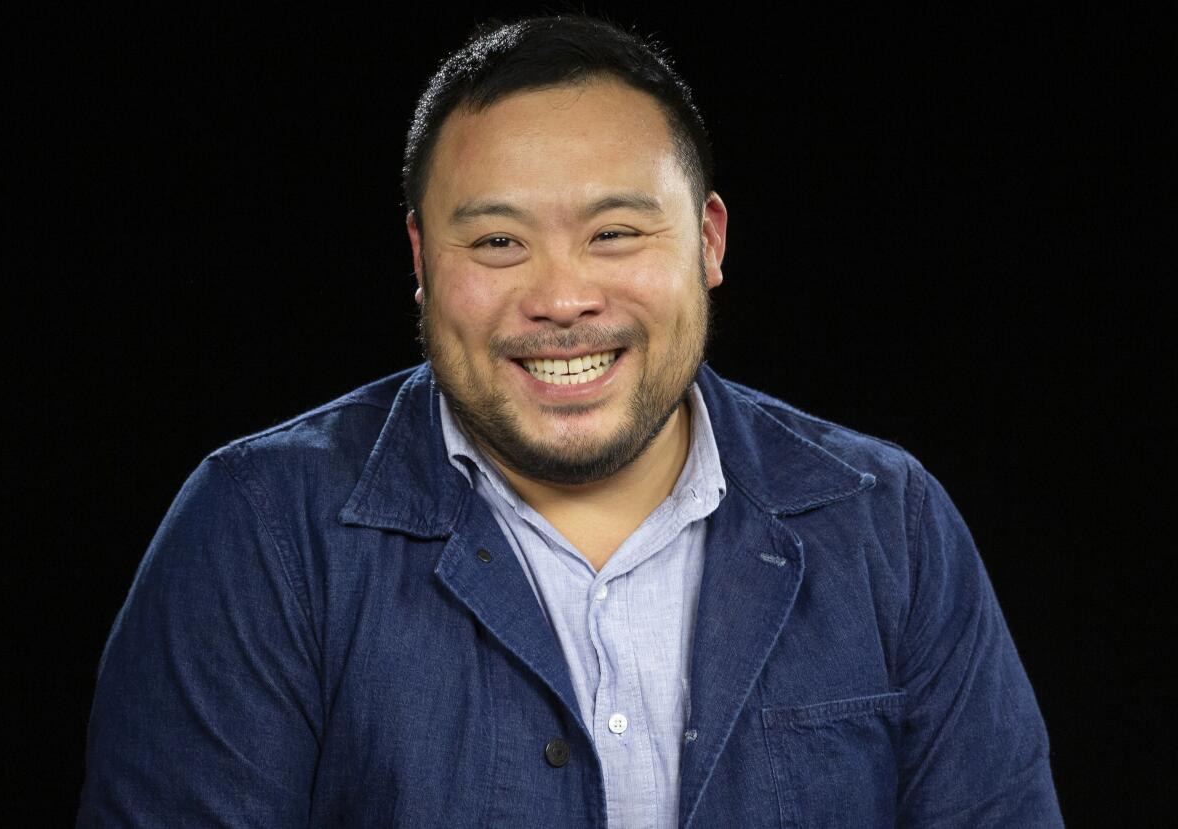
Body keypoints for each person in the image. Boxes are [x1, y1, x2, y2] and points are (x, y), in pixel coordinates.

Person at [78, 14, 1065, 828]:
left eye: (615, 234)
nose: (562, 297)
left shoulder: (887, 523)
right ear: (421, 260)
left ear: (709, 241)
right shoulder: (259, 529)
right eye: (500, 240)